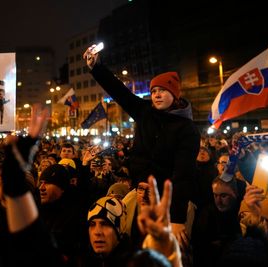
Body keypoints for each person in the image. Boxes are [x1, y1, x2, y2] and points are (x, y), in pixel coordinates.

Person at [83, 44, 201, 248]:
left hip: (168, 202)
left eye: (163, 90)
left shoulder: (186, 129)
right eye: (154, 90)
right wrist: (97, 67)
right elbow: (119, 91)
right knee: (137, 245)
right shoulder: (144, 111)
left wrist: (177, 219)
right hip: (140, 194)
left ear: (175, 95)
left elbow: (184, 174)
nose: (157, 94)